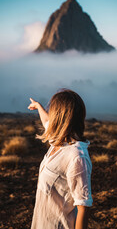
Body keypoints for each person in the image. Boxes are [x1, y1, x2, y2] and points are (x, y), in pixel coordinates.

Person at [28, 89, 93, 229]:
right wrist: (38, 106)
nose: (49, 112)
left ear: (60, 116)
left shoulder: (76, 156)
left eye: (52, 109)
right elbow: (46, 122)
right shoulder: (58, 140)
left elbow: (83, 207)